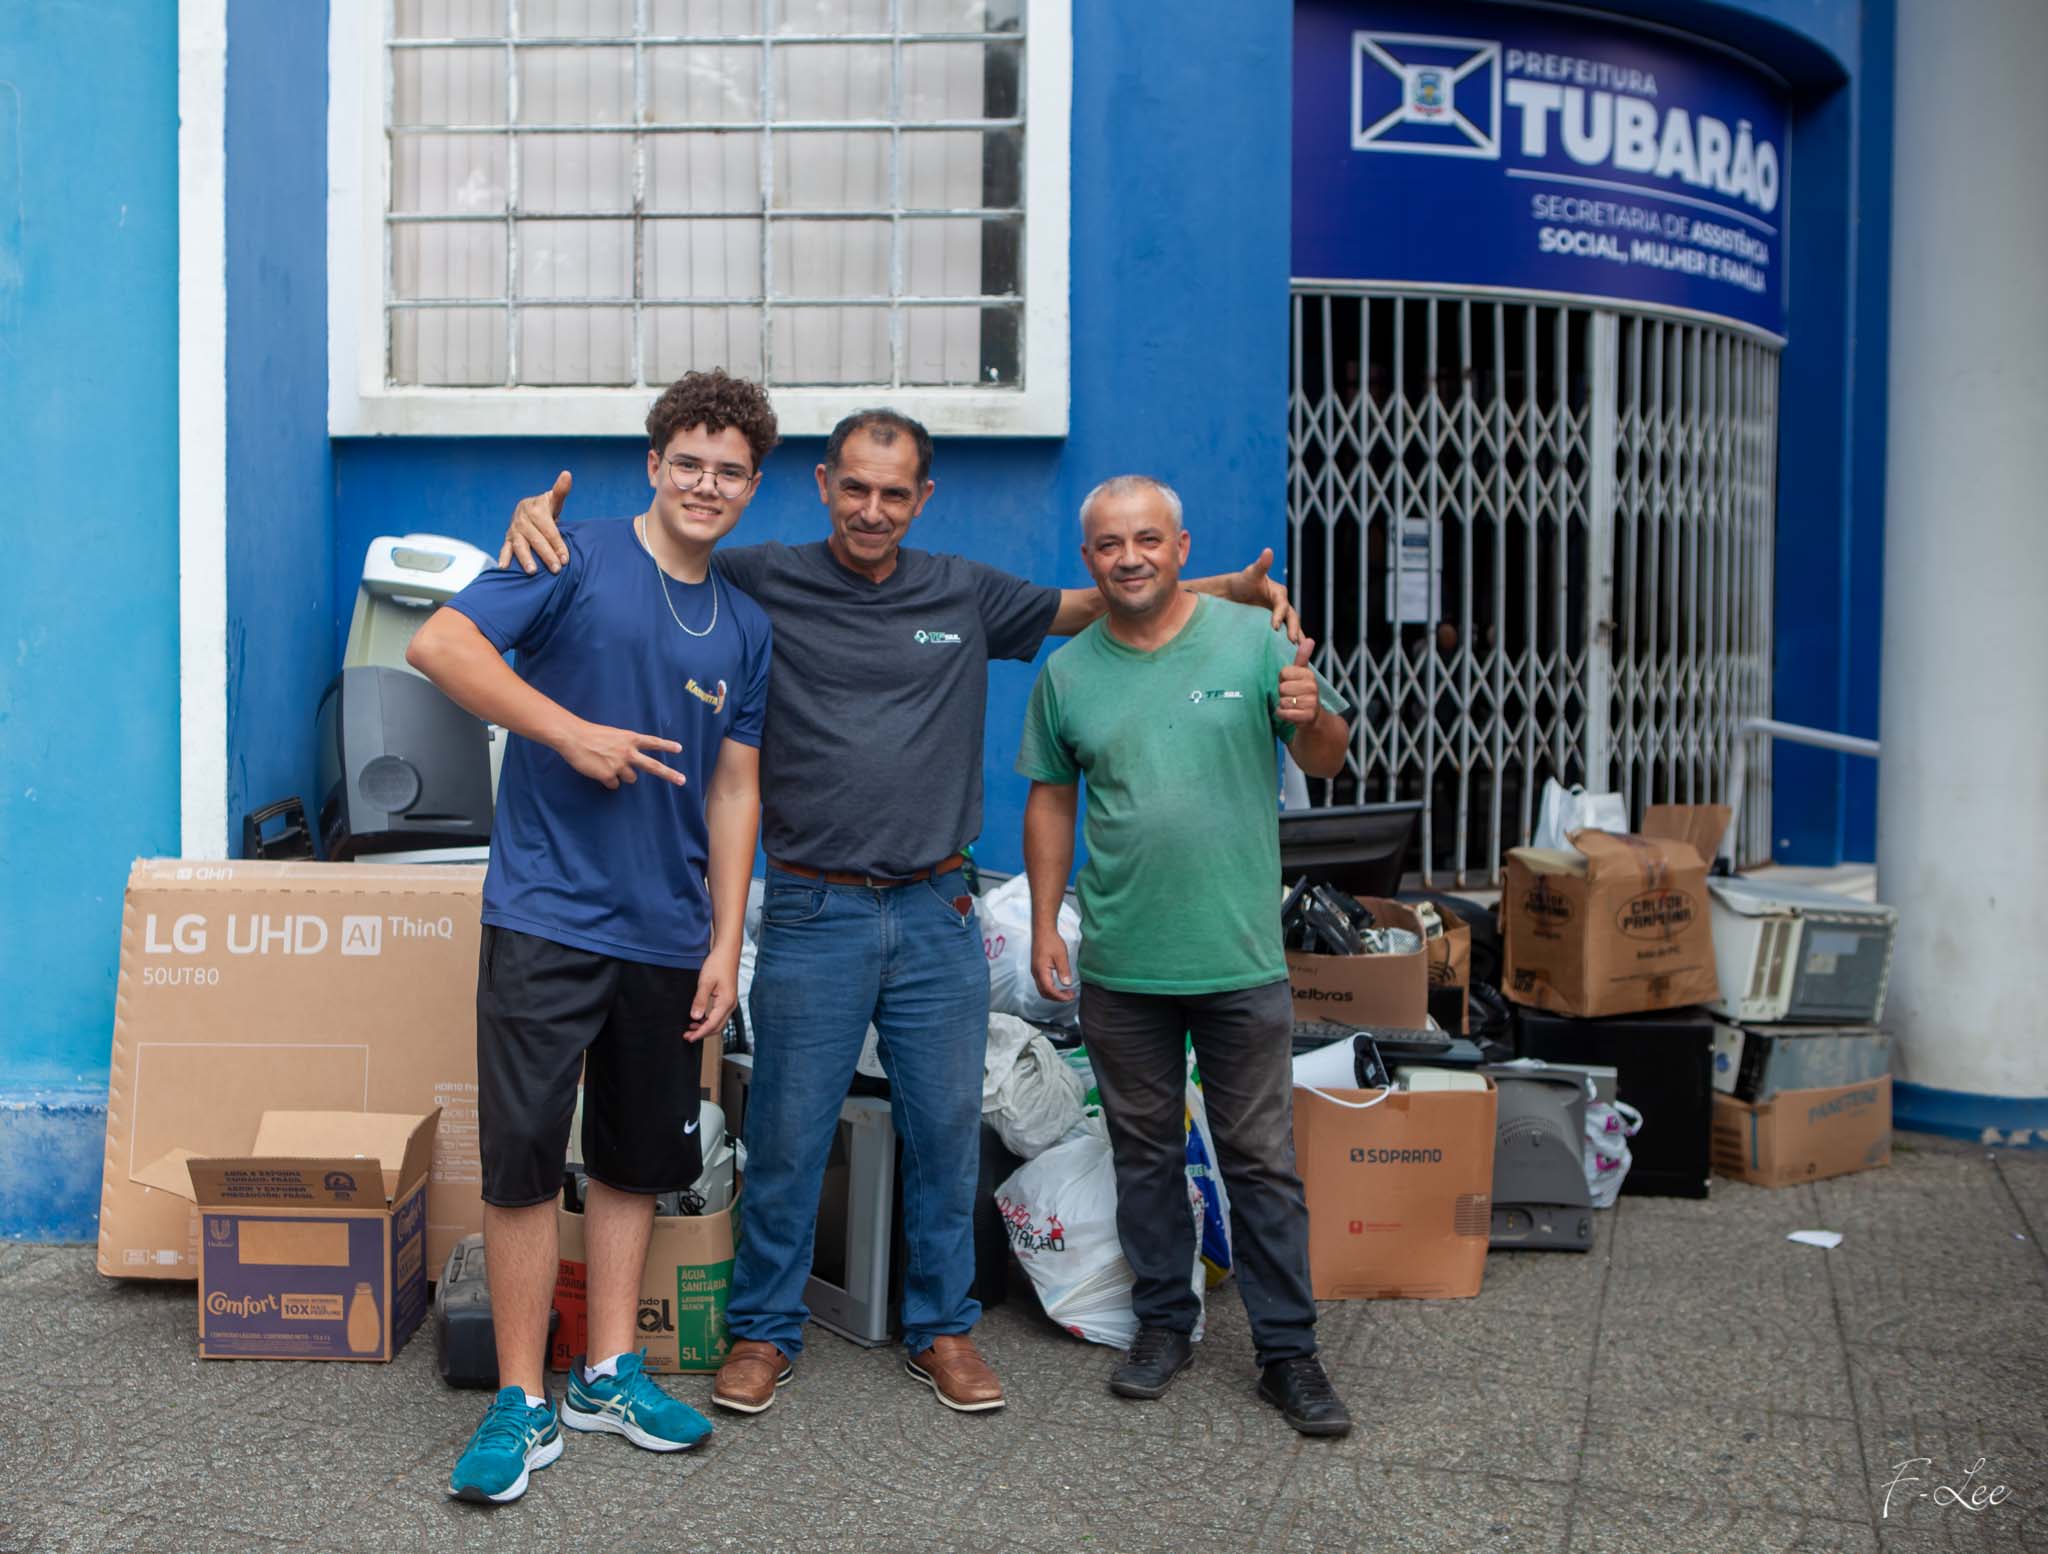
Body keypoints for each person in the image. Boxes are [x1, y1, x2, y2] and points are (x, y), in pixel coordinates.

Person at [497, 412, 1299, 1416]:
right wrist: (538, 525)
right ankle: (764, 1331)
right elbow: (665, 550)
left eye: (893, 493)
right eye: (854, 487)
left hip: (936, 911)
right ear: (824, 485)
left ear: (922, 499)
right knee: (787, 1137)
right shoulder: (760, 578)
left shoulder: (961, 591)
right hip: (811, 909)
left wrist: (1231, 591)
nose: (871, 509)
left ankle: (941, 1330)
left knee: (944, 1135)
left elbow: (1094, 602)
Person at [409, 370, 777, 1502]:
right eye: (688, 463)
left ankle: (609, 1374)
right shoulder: (566, 554)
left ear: (752, 487)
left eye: (729, 471)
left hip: (668, 933)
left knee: (634, 1158)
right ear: (653, 465)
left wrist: (724, 942)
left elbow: (734, 790)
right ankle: (523, 1398)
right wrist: (568, 732)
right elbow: (442, 647)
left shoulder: (746, 626)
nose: (705, 485)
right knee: (525, 1156)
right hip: (548, 913)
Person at [1016, 475, 1355, 1437]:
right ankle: (1164, 1325)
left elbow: (1326, 758)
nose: (1130, 557)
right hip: (1123, 964)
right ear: (1089, 559)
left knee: (1261, 1162)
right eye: (1110, 544)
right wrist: (1044, 924)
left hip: (1239, 960)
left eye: (1148, 539)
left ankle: (1289, 1355)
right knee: (1144, 1155)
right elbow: (1051, 800)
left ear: (1180, 547)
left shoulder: (1253, 641)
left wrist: (1313, 712)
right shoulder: (1068, 673)